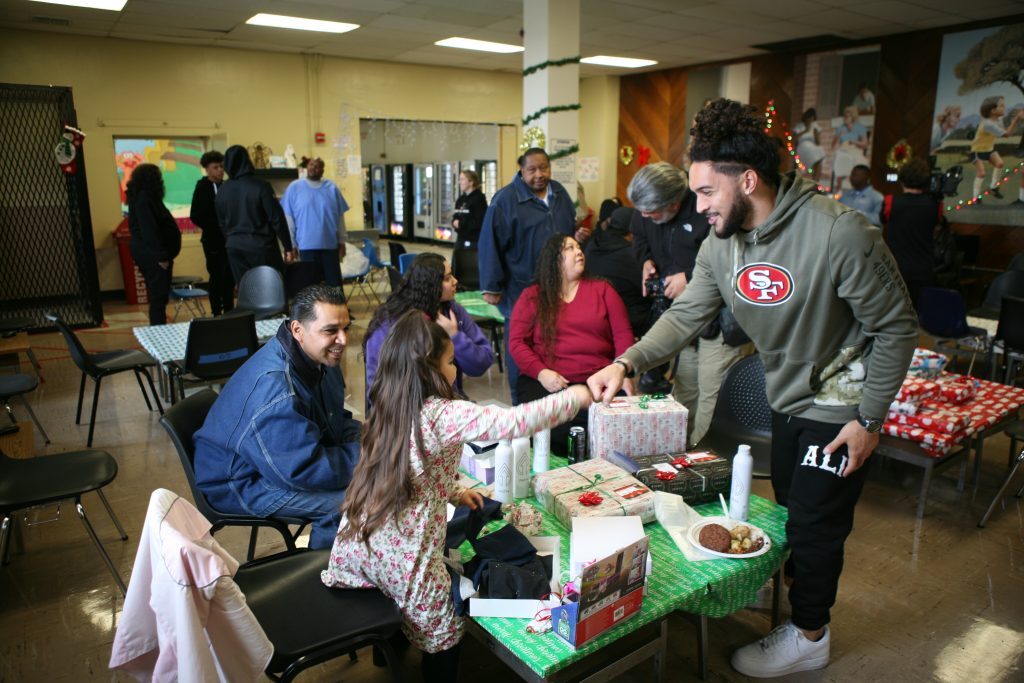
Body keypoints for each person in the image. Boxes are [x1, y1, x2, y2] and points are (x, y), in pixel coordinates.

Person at [588, 98, 918, 678]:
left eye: (706, 193)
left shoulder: (840, 234)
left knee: (816, 526)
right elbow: (687, 314)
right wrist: (627, 359)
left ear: (747, 180)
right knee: (794, 515)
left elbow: (895, 327)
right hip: (785, 397)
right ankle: (801, 611)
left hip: (840, 403)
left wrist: (868, 421)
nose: (698, 207)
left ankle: (810, 634)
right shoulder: (722, 244)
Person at [323, 311, 591, 683]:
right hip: (404, 551)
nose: (455, 367)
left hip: (361, 540)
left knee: (392, 597)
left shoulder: (389, 402)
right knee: (445, 628)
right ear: (429, 368)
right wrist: (574, 397)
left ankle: (387, 656)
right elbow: (513, 422)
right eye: (450, 361)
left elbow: (413, 469)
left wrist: (456, 491)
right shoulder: (442, 413)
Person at [193, 285, 359, 550]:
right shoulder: (276, 391)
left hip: (275, 461)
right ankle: (323, 580)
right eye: (330, 331)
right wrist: (370, 457)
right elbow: (304, 469)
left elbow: (335, 419)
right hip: (241, 482)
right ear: (297, 330)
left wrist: (373, 440)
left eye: (346, 328)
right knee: (351, 499)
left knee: (368, 480)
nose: (343, 339)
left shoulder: (320, 359)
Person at [628, 161, 751, 444]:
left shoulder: (707, 210)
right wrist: (645, 260)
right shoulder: (646, 211)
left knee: (712, 397)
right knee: (684, 394)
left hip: (721, 323)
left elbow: (735, 261)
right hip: (684, 322)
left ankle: (705, 465)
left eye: (652, 212)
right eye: (641, 212)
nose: (645, 216)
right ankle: (679, 461)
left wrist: (689, 278)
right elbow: (640, 237)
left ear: (673, 203)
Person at [509, 234, 633, 454]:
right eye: (570, 248)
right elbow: (517, 343)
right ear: (554, 260)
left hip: (597, 381)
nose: (579, 252)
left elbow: (623, 336)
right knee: (547, 426)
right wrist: (541, 372)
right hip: (548, 384)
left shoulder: (603, 290)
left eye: (579, 247)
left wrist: (623, 372)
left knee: (609, 428)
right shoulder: (533, 296)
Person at [478, 147, 576, 402]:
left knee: (555, 343)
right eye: (532, 169)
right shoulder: (505, 200)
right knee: (521, 347)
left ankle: (555, 402)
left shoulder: (561, 194)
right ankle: (520, 404)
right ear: (521, 169)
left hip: (559, 287)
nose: (539, 174)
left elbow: (567, 230)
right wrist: (491, 286)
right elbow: (490, 243)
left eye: (544, 168)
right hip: (520, 288)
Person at [364, 253, 492, 402]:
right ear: (429, 284)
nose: (455, 281)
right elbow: (376, 385)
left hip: (448, 407)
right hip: (404, 411)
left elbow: (482, 362)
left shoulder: (453, 312)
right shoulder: (391, 321)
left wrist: (455, 336)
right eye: (447, 278)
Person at [215, 145, 294, 282]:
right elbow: (276, 219)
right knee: (270, 291)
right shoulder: (260, 186)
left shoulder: (222, 190)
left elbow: (221, 223)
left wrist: (231, 239)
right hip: (260, 247)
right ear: (247, 160)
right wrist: (288, 246)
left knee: (246, 292)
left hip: (234, 247)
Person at [881, 158, 941, 308]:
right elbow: (936, 227)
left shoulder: (890, 202)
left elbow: (883, 220)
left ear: (901, 180)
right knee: (918, 313)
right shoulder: (936, 205)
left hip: (894, 266)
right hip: (923, 267)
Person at [281, 157, 350, 287]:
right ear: (307, 167)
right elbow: (289, 219)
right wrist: (291, 244)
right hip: (306, 246)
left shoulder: (331, 188)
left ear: (323, 170)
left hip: (329, 246)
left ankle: (337, 306)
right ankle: (311, 308)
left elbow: (340, 218)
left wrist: (342, 241)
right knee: (310, 285)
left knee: (334, 284)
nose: (314, 168)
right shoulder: (294, 188)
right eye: (312, 164)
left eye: (318, 166)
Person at [127, 163, 181, 326]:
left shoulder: (144, 197)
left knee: (159, 296)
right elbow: (150, 230)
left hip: (150, 253)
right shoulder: (144, 198)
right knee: (158, 297)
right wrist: (161, 256)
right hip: (153, 255)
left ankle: (159, 328)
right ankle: (158, 331)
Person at [584, 206, 650, 336]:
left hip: (594, 318)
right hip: (631, 323)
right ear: (633, 232)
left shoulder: (591, 245)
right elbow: (647, 289)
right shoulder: (632, 254)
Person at [189, 151, 234, 316]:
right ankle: (216, 312)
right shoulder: (202, 188)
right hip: (213, 240)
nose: (220, 170)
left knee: (230, 278)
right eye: (216, 167)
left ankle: (229, 310)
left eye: (222, 166)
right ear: (207, 169)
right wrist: (214, 227)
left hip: (230, 240)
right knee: (216, 276)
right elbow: (196, 215)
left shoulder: (228, 186)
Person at [969, 96, 1024, 204]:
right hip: (978, 150)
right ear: (993, 110)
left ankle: (993, 187)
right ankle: (975, 198)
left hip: (989, 149)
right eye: (1002, 106)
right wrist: (1016, 119)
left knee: (999, 163)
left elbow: (1004, 130)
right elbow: (1006, 134)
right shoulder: (988, 124)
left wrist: (1013, 120)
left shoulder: (998, 120)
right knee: (982, 174)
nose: (1004, 107)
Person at [831, 106, 870, 192]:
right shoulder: (840, 128)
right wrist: (838, 136)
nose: (845, 118)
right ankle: (839, 188)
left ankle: (857, 185)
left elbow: (865, 144)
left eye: (847, 116)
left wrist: (854, 142)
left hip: (854, 149)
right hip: (843, 149)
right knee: (840, 157)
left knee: (860, 161)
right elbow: (833, 145)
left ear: (853, 117)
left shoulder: (859, 127)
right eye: (844, 116)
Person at [452, 169, 487, 249]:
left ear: (471, 182)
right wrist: (454, 222)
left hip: (474, 241)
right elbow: (456, 216)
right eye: (459, 179)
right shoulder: (460, 199)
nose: (459, 182)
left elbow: (479, 222)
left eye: (462, 179)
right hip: (460, 240)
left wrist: (460, 223)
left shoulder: (479, 199)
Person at [793, 108, 825, 181]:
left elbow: (818, 143)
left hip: (813, 147)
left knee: (819, 153)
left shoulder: (815, 126)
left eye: (812, 118)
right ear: (806, 117)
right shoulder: (799, 126)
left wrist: (816, 134)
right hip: (802, 146)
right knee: (818, 153)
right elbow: (795, 139)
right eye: (809, 117)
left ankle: (815, 181)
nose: (811, 120)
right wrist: (805, 131)